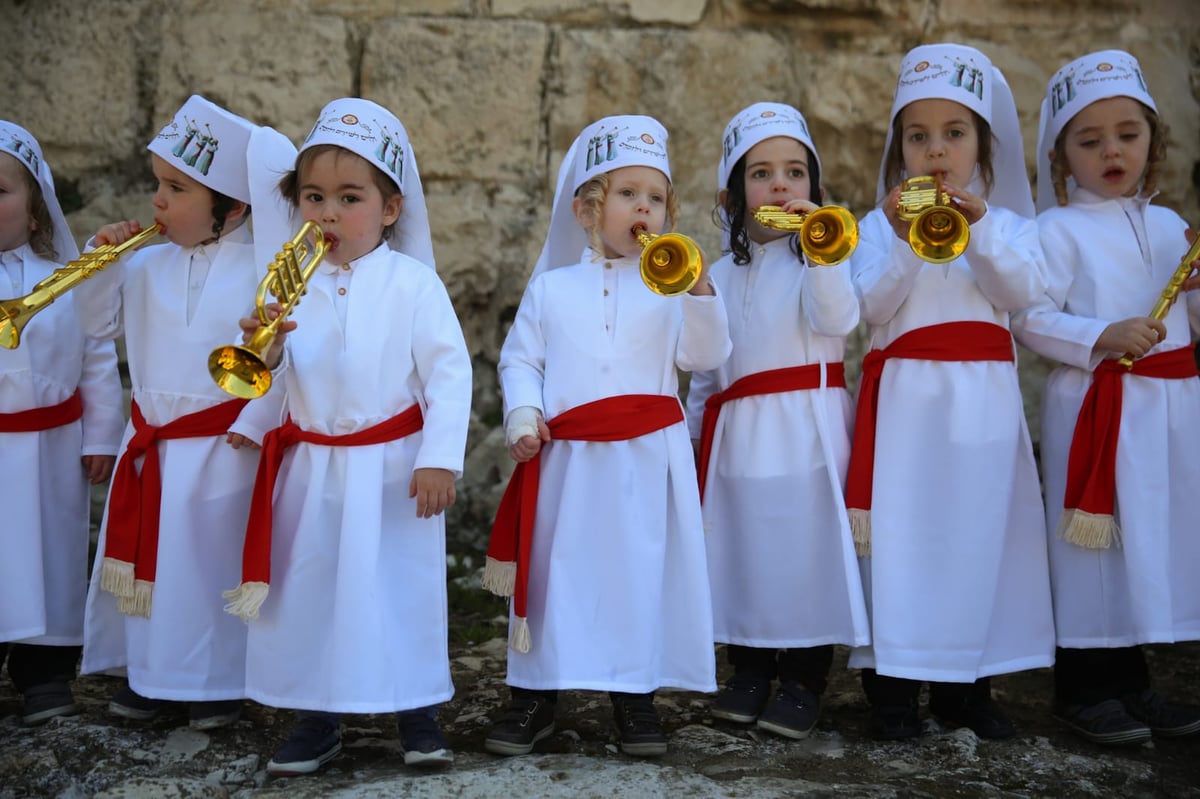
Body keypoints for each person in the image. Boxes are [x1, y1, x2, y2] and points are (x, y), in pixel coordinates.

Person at [222, 98, 472, 776]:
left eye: (349, 197)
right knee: (312, 591)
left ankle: (416, 709)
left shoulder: (414, 284)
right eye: (313, 196)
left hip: (394, 473)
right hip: (313, 472)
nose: (327, 212)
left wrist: (439, 457)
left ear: (391, 208)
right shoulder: (287, 285)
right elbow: (272, 376)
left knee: (400, 590)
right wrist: (266, 348)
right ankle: (316, 715)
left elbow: (450, 374)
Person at [481, 114, 731, 758]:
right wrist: (522, 415)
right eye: (627, 195)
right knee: (557, 573)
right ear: (588, 210)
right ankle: (535, 698)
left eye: (655, 197)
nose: (643, 208)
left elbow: (704, 357)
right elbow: (521, 361)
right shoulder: (552, 288)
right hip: (568, 463)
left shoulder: (671, 285)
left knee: (637, 575)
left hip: (647, 461)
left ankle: (636, 699)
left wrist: (701, 292)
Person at [846, 43, 1055, 740]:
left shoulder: (1012, 228)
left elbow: (1023, 294)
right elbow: (871, 310)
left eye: (954, 134)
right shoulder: (877, 226)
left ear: (982, 148)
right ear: (900, 147)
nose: (935, 151)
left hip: (981, 410)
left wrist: (982, 229)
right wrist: (905, 239)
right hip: (907, 407)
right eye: (918, 136)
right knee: (905, 541)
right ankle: (894, 688)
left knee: (974, 538)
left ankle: (968, 686)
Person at [76, 95, 289, 731]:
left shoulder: (265, 269)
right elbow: (95, 325)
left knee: (208, 568)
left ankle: (217, 683)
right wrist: (98, 262)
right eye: (157, 185)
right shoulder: (142, 264)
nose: (157, 202)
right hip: (155, 448)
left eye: (176, 188)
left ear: (234, 206)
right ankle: (151, 677)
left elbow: (286, 358)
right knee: (156, 563)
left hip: (224, 448)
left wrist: (251, 428)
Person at [1011, 49, 1200, 746]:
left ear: (1154, 139)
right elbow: (1029, 317)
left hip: (1170, 408)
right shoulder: (1055, 231)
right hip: (1099, 405)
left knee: (1146, 543)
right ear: (1061, 156)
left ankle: (1134, 680)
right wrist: (1102, 333)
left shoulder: (1170, 227)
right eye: (1089, 141)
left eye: (1128, 133)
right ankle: (1083, 685)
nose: (1112, 151)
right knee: (1095, 545)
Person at [684, 102, 867, 739]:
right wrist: (694, 435)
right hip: (739, 435)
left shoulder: (825, 256)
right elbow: (708, 372)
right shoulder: (719, 274)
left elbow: (839, 321)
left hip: (807, 427)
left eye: (795, 172)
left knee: (804, 553)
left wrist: (825, 250)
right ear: (734, 197)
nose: (780, 186)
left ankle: (805, 678)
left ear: (814, 189)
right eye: (761, 174)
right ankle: (750, 669)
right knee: (745, 552)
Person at [0, 121, 124, 726]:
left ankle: (44, 674)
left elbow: (96, 359)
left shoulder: (66, 278)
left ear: (35, 210)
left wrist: (102, 435)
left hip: (51, 447)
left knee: (51, 557)